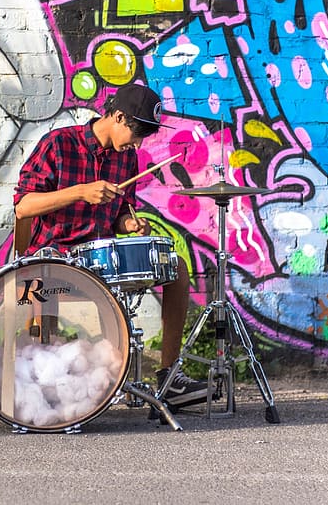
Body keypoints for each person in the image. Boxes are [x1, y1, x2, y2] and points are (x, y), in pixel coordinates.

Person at [13, 82, 208, 409]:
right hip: (52, 260)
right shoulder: (59, 144)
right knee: (39, 288)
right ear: (118, 117)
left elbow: (119, 216)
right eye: (136, 135)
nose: (138, 144)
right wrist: (80, 192)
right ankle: (43, 382)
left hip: (98, 263)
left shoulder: (126, 159)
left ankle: (169, 377)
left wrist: (129, 224)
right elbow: (23, 206)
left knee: (177, 268)